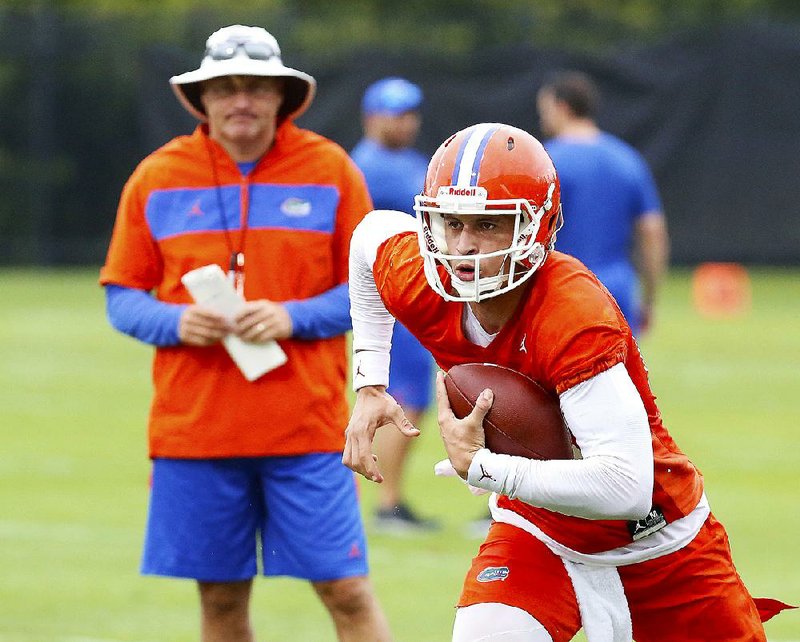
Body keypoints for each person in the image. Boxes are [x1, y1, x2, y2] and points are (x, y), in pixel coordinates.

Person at [342, 123, 792, 640]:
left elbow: (625, 487)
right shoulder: (422, 280)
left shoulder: (570, 310)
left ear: (536, 228)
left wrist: (483, 467)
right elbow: (367, 237)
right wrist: (370, 383)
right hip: (539, 532)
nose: (464, 248)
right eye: (451, 222)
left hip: (656, 542)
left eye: (488, 225)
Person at [99, 25, 391, 642]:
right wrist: (178, 321)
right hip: (197, 431)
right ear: (200, 99)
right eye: (225, 88)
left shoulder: (331, 169)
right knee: (222, 603)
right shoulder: (156, 177)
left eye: (257, 87)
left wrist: (294, 316)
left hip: (307, 429)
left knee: (348, 591)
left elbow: (374, 288)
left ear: (282, 97)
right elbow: (122, 297)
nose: (241, 101)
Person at [350, 77, 439, 534]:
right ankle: (387, 503)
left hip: (417, 296)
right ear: (371, 118)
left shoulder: (412, 162)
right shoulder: (363, 167)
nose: (403, 123)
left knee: (413, 398)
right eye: (393, 114)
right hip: (391, 301)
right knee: (400, 397)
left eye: (409, 113)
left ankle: (392, 500)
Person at [537, 70, 669, 336]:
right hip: (615, 292)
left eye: (544, 110)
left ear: (562, 107)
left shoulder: (542, 161)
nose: (541, 118)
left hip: (558, 289)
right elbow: (652, 232)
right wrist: (650, 298)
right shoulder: (628, 160)